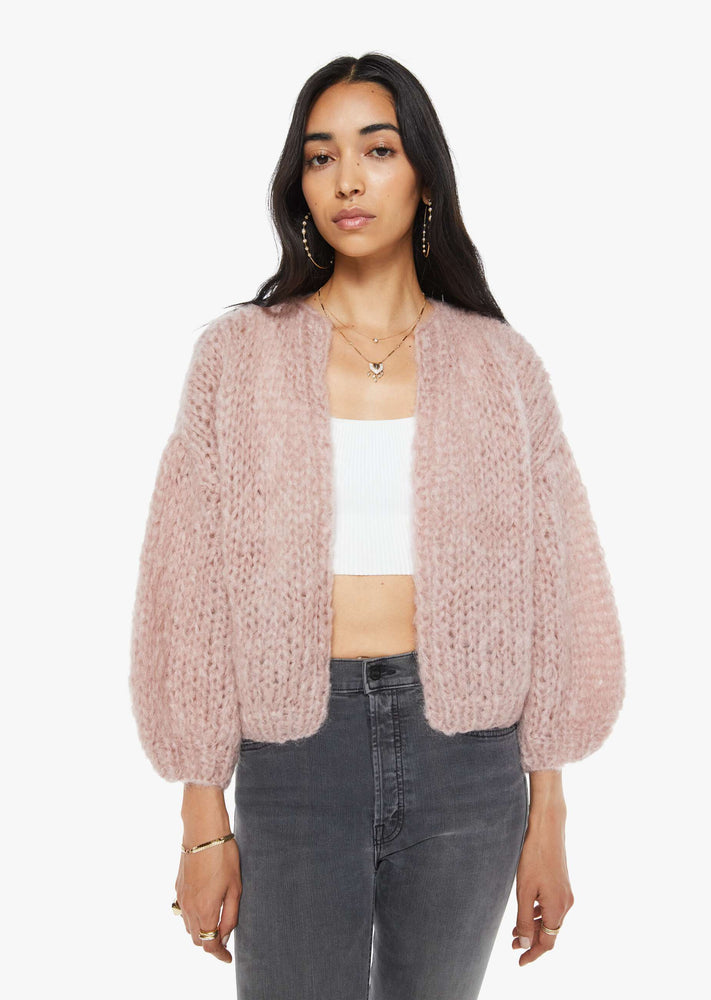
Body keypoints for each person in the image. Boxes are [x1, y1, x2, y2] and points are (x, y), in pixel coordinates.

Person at [129, 52, 626, 1000]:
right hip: (293, 757)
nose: (347, 180)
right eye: (321, 157)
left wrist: (549, 814)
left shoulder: (502, 364)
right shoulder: (236, 357)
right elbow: (185, 590)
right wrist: (201, 818)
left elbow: (560, 594)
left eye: (378, 149)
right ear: (299, 183)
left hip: (468, 761)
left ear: (425, 175)